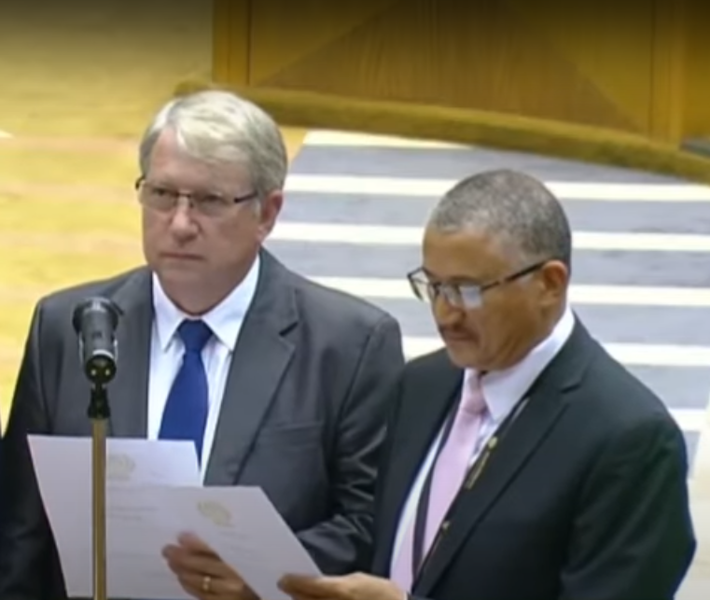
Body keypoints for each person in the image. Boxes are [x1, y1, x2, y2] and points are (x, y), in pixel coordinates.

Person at [0, 90, 405, 600]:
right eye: (162, 194)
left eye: (209, 201)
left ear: (268, 212)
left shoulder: (350, 346)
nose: (180, 224)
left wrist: (259, 573)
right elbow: (20, 531)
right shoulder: (68, 326)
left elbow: (367, 525)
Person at [278, 169, 696, 600]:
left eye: (468, 291)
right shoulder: (421, 384)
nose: (445, 314)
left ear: (550, 284)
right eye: (434, 286)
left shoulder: (630, 440)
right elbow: (382, 544)